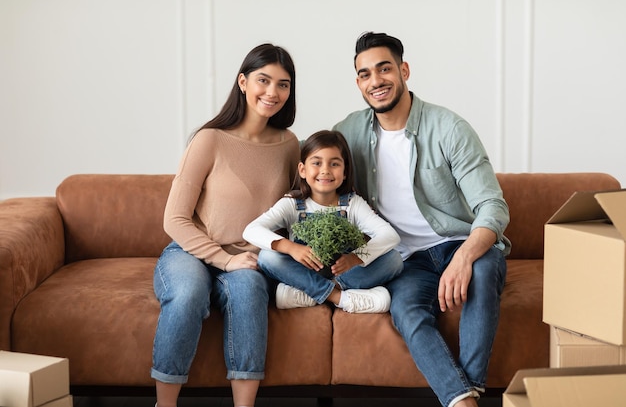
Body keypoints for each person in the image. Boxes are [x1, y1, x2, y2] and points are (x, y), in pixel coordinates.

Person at [333, 32, 510, 407]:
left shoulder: (448, 127)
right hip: (404, 259)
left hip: (457, 244)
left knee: (482, 267)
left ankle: (469, 391)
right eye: (365, 74)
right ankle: (465, 400)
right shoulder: (347, 133)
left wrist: (463, 258)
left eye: (384, 69)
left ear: (404, 70)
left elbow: (493, 206)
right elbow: (316, 175)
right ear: (358, 83)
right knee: (406, 311)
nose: (376, 81)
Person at [151, 43, 300, 407]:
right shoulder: (210, 140)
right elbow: (175, 218)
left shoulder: (290, 145)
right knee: (187, 295)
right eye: (263, 80)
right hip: (191, 251)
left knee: (250, 292)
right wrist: (224, 259)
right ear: (243, 82)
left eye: (283, 84)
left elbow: (293, 213)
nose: (273, 92)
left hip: (249, 258)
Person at [243, 130, 404, 313]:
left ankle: (310, 293)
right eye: (317, 163)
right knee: (267, 257)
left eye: (334, 164)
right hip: (304, 272)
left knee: (394, 260)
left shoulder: (352, 204)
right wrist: (291, 248)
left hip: (342, 274)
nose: (325, 170)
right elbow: (251, 230)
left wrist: (355, 258)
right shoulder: (292, 204)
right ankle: (338, 297)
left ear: (345, 172)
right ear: (303, 170)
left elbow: (390, 235)